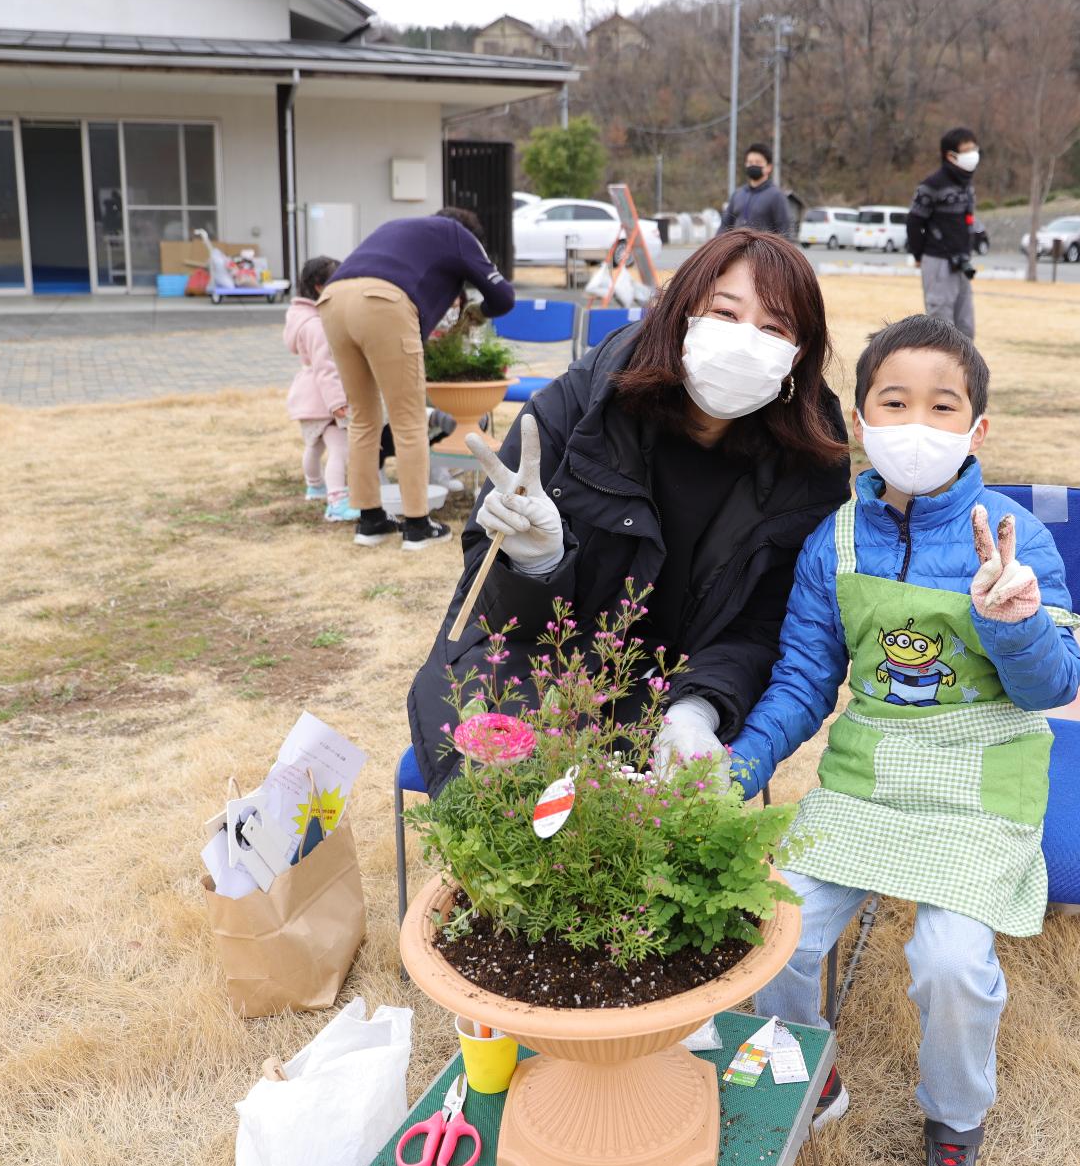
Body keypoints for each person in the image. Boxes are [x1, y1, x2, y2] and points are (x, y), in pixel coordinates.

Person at [729, 315, 1080, 1166]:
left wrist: (1015, 621)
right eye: (895, 401)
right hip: (869, 774)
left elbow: (1057, 687)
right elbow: (806, 679)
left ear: (977, 429)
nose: (916, 421)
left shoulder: (1017, 538)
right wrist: (740, 764)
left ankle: (954, 1130)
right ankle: (814, 1067)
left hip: (982, 779)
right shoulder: (834, 542)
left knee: (952, 962)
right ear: (859, 419)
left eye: (942, 404)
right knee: (781, 926)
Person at [404, 228, 852, 794]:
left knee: (640, 842)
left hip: (677, 688)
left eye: (774, 328)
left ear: (799, 353)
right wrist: (538, 566)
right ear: (681, 312)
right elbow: (492, 603)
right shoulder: (582, 405)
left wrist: (699, 708)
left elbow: (767, 626)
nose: (745, 341)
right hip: (538, 661)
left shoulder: (808, 465)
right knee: (515, 801)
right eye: (725, 312)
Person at [320, 207, 514, 551]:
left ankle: (370, 521)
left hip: (332, 301)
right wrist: (477, 313)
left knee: (363, 419)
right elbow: (504, 297)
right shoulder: (458, 235)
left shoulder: (400, 225)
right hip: (383, 302)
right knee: (408, 421)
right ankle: (417, 526)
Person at [282, 255, 354, 522]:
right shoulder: (317, 325)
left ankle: (314, 486)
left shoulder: (299, 316)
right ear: (318, 287)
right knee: (340, 448)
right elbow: (326, 369)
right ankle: (337, 501)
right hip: (323, 398)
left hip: (306, 396)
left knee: (314, 446)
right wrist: (337, 403)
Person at [907, 127, 985, 339]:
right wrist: (917, 254)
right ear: (950, 155)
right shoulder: (932, 185)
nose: (973, 154)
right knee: (943, 331)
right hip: (938, 261)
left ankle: (966, 372)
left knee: (966, 329)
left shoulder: (966, 185)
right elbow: (914, 221)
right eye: (967, 150)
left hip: (961, 262)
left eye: (974, 149)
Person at [718, 142, 793, 237]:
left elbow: (784, 231)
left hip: (763, 250)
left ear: (769, 167)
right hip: (738, 250)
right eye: (750, 162)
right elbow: (724, 226)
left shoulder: (777, 196)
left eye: (758, 162)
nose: (753, 165)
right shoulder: (737, 194)